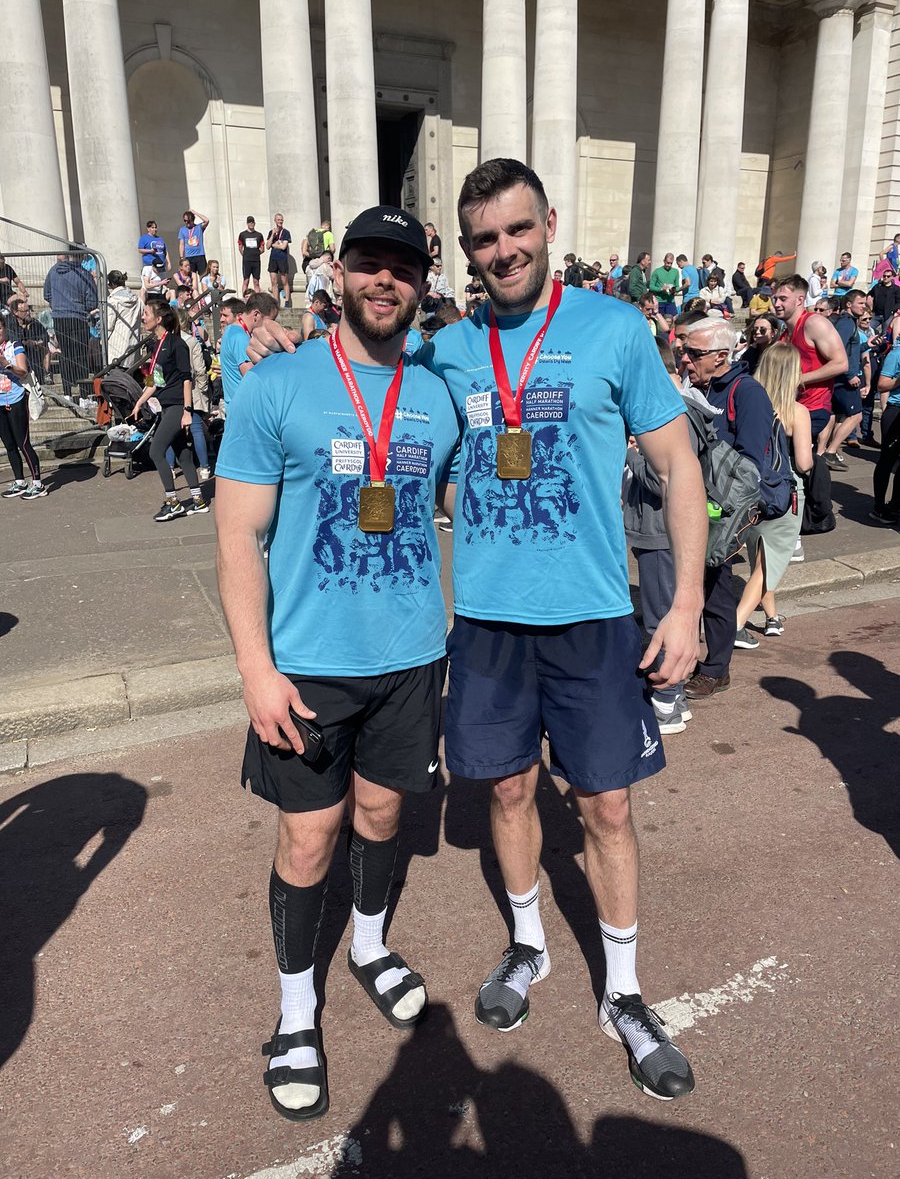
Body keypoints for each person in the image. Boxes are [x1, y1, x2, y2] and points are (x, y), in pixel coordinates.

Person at [246, 161, 706, 1103]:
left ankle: (624, 991)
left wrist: (689, 604)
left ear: (549, 226)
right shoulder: (447, 354)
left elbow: (679, 461)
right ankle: (528, 948)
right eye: (485, 241)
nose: (504, 252)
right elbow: (372, 399)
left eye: (518, 231)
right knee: (505, 795)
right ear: (464, 256)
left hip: (594, 618)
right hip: (486, 626)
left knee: (608, 808)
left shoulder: (615, 329)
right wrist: (280, 349)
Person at [214, 206, 458, 1122]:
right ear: (338, 276)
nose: (383, 279)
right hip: (307, 666)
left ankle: (366, 944)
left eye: (402, 266)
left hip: (410, 658)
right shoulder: (276, 385)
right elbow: (238, 537)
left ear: (423, 285)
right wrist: (255, 669)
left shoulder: (436, 393)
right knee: (310, 836)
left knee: (385, 812)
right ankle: (292, 1011)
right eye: (368, 262)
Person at [681, 318, 783, 699]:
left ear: (722, 356)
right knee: (692, 586)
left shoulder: (747, 392)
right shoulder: (694, 387)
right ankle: (688, 657)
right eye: (684, 351)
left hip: (721, 511)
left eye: (694, 353)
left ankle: (716, 668)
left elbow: (750, 463)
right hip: (691, 502)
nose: (686, 359)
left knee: (716, 589)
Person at [623, 335, 707, 734]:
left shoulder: (672, 412)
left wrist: (632, 453)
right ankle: (677, 695)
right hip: (656, 532)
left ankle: (668, 701)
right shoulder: (676, 407)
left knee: (661, 619)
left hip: (658, 534)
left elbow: (665, 483)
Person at [733, 343, 812, 643]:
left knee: (761, 559)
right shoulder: (797, 411)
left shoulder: (750, 403)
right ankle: (736, 625)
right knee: (770, 564)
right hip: (784, 493)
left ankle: (771, 616)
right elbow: (804, 463)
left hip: (751, 488)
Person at [130, 300, 206, 521]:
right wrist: (139, 401)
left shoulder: (176, 343)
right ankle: (198, 500)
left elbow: (186, 379)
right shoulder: (156, 346)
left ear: (159, 318)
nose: (143, 317)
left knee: (156, 451)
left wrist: (187, 411)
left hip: (177, 406)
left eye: (146, 313)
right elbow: (153, 381)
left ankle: (173, 502)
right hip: (166, 405)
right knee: (183, 454)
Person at [772, 275, 848, 452]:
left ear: (800, 300)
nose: (776, 304)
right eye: (775, 298)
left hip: (812, 409)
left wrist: (799, 379)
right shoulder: (785, 332)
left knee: (795, 462)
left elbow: (841, 363)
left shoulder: (814, 323)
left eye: (783, 299)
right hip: (790, 407)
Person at [820, 290, 869, 469]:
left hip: (841, 377)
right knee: (856, 416)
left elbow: (849, 347)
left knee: (835, 416)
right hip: (845, 378)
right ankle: (830, 452)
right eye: (861, 303)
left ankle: (821, 452)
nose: (864, 307)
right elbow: (837, 348)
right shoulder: (847, 323)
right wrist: (850, 375)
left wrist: (866, 345)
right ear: (849, 304)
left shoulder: (848, 323)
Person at [0, 318, 46, 499]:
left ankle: (38, 484)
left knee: (23, 442)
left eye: (0, 328)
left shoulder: (14, 346)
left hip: (17, 398)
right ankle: (20, 481)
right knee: (9, 444)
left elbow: (23, 371)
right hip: (0, 402)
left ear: (5, 329)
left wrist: (6, 364)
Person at [165, 307, 212, 482]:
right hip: (191, 389)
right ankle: (205, 467)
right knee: (197, 429)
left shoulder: (166, 341)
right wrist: (203, 389)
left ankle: (170, 467)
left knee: (171, 432)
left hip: (171, 391)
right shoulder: (191, 341)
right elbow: (200, 370)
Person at [43, 252, 97, 399]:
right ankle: (83, 394)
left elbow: (46, 293)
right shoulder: (83, 274)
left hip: (60, 317)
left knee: (65, 354)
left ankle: (67, 391)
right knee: (80, 354)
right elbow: (92, 300)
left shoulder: (53, 271)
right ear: (80, 257)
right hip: (78, 317)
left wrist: (57, 305)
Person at [220, 291, 279, 409]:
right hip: (243, 408)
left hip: (236, 405)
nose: (271, 325)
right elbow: (251, 376)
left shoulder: (231, 330)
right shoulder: (240, 337)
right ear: (256, 315)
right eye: (270, 320)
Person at [871, 336, 900, 521]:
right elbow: (882, 385)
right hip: (896, 411)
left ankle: (896, 504)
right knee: (887, 459)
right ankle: (878, 507)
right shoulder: (896, 354)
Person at [6, 297, 51, 381]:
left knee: (45, 347)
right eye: (25, 311)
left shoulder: (33, 322)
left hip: (33, 351)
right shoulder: (9, 322)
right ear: (16, 312)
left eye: (29, 310)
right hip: (16, 352)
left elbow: (45, 336)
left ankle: (46, 373)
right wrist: (25, 342)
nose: (29, 313)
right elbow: (11, 337)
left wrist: (38, 342)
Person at [106, 270, 142, 366]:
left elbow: (109, 325)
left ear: (112, 283)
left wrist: (103, 341)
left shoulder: (113, 301)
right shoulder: (137, 299)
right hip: (133, 345)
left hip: (116, 347)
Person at [267, 213, 292, 307]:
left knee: (284, 281)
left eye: (281, 220)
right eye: (278, 220)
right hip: (273, 259)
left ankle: (287, 301)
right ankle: (276, 302)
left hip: (282, 259)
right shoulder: (271, 232)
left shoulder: (286, 232)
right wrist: (272, 236)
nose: (280, 221)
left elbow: (283, 247)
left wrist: (275, 245)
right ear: (275, 221)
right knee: (273, 281)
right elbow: (268, 246)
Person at [238, 217, 265, 297]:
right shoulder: (242, 234)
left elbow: (262, 248)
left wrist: (256, 253)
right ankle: (244, 298)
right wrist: (245, 254)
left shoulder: (259, 235)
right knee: (246, 280)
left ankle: (257, 299)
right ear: (247, 223)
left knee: (256, 281)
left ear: (254, 223)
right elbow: (240, 247)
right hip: (247, 260)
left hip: (256, 261)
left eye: (252, 222)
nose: (251, 224)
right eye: (249, 222)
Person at [178, 209, 210, 275]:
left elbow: (206, 220)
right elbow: (181, 244)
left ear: (192, 220)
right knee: (191, 277)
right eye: (185, 221)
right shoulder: (182, 230)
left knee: (204, 275)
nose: (186, 222)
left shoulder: (199, 227)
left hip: (200, 255)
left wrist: (195, 213)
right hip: (189, 256)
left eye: (188, 221)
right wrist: (181, 257)